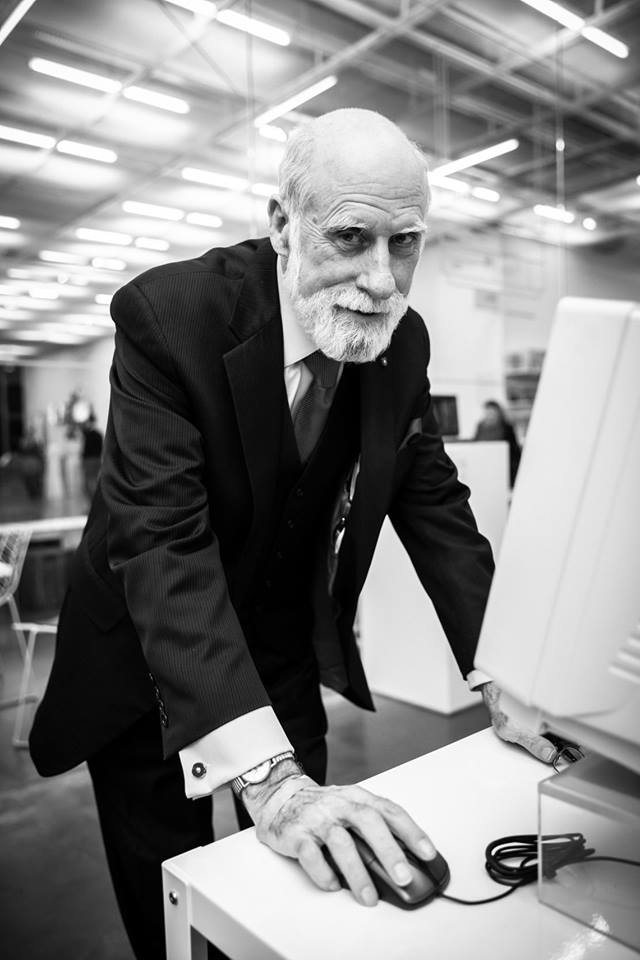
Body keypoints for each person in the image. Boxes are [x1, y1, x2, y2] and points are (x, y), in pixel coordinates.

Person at [29, 109, 555, 960]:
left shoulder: (401, 343)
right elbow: (160, 544)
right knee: (174, 902)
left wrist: (517, 676)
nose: (382, 281)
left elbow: (437, 510)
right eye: (351, 237)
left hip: (281, 655)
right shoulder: (171, 317)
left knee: (308, 887)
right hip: (148, 669)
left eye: (406, 242)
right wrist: (270, 782)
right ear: (283, 225)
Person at [474, 399, 522, 487]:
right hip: (485, 465)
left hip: (503, 466)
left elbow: (514, 450)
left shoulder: (506, 427)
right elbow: (476, 443)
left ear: (498, 413)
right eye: (487, 412)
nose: (489, 415)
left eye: (492, 413)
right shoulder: (480, 426)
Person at [80, 410, 104, 501]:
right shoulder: (99, 434)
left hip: (89, 461)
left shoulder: (88, 435)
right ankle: (95, 502)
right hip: (97, 460)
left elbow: (85, 450)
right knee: (94, 480)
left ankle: (93, 502)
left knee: (89, 482)